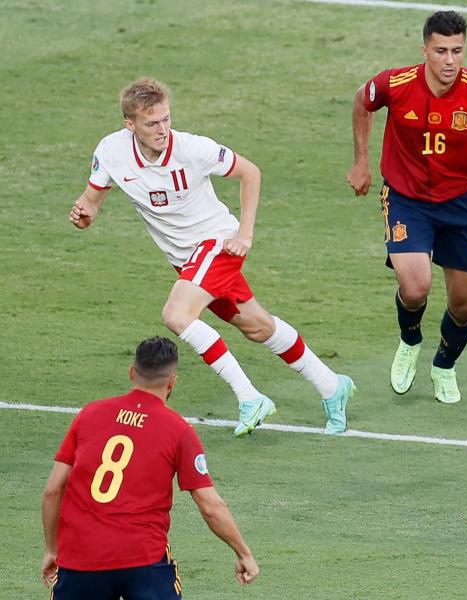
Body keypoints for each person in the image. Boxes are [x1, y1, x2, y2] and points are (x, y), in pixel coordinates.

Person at [69, 77, 353, 437]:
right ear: (130, 124)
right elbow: (91, 205)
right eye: (152, 123)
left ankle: (250, 397)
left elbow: (250, 172)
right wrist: (83, 216)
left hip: (217, 243)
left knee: (176, 314)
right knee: (257, 326)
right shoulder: (111, 151)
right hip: (186, 259)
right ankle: (331, 385)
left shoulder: (192, 148)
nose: (162, 129)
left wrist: (244, 234)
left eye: (166, 119)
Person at [347, 10, 467, 404]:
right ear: (425, 50)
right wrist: (361, 161)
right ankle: (410, 339)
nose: (450, 60)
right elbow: (362, 101)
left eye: (458, 51)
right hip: (406, 199)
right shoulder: (395, 83)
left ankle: (444, 365)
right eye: (441, 51)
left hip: (461, 205)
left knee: (464, 305)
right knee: (415, 287)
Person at [40, 336, 259, 598]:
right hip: (142, 560)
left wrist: (52, 550)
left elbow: (53, 489)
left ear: (132, 373)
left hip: (80, 559)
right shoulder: (179, 430)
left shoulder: (89, 414)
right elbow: (210, 506)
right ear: (172, 381)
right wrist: (243, 552)